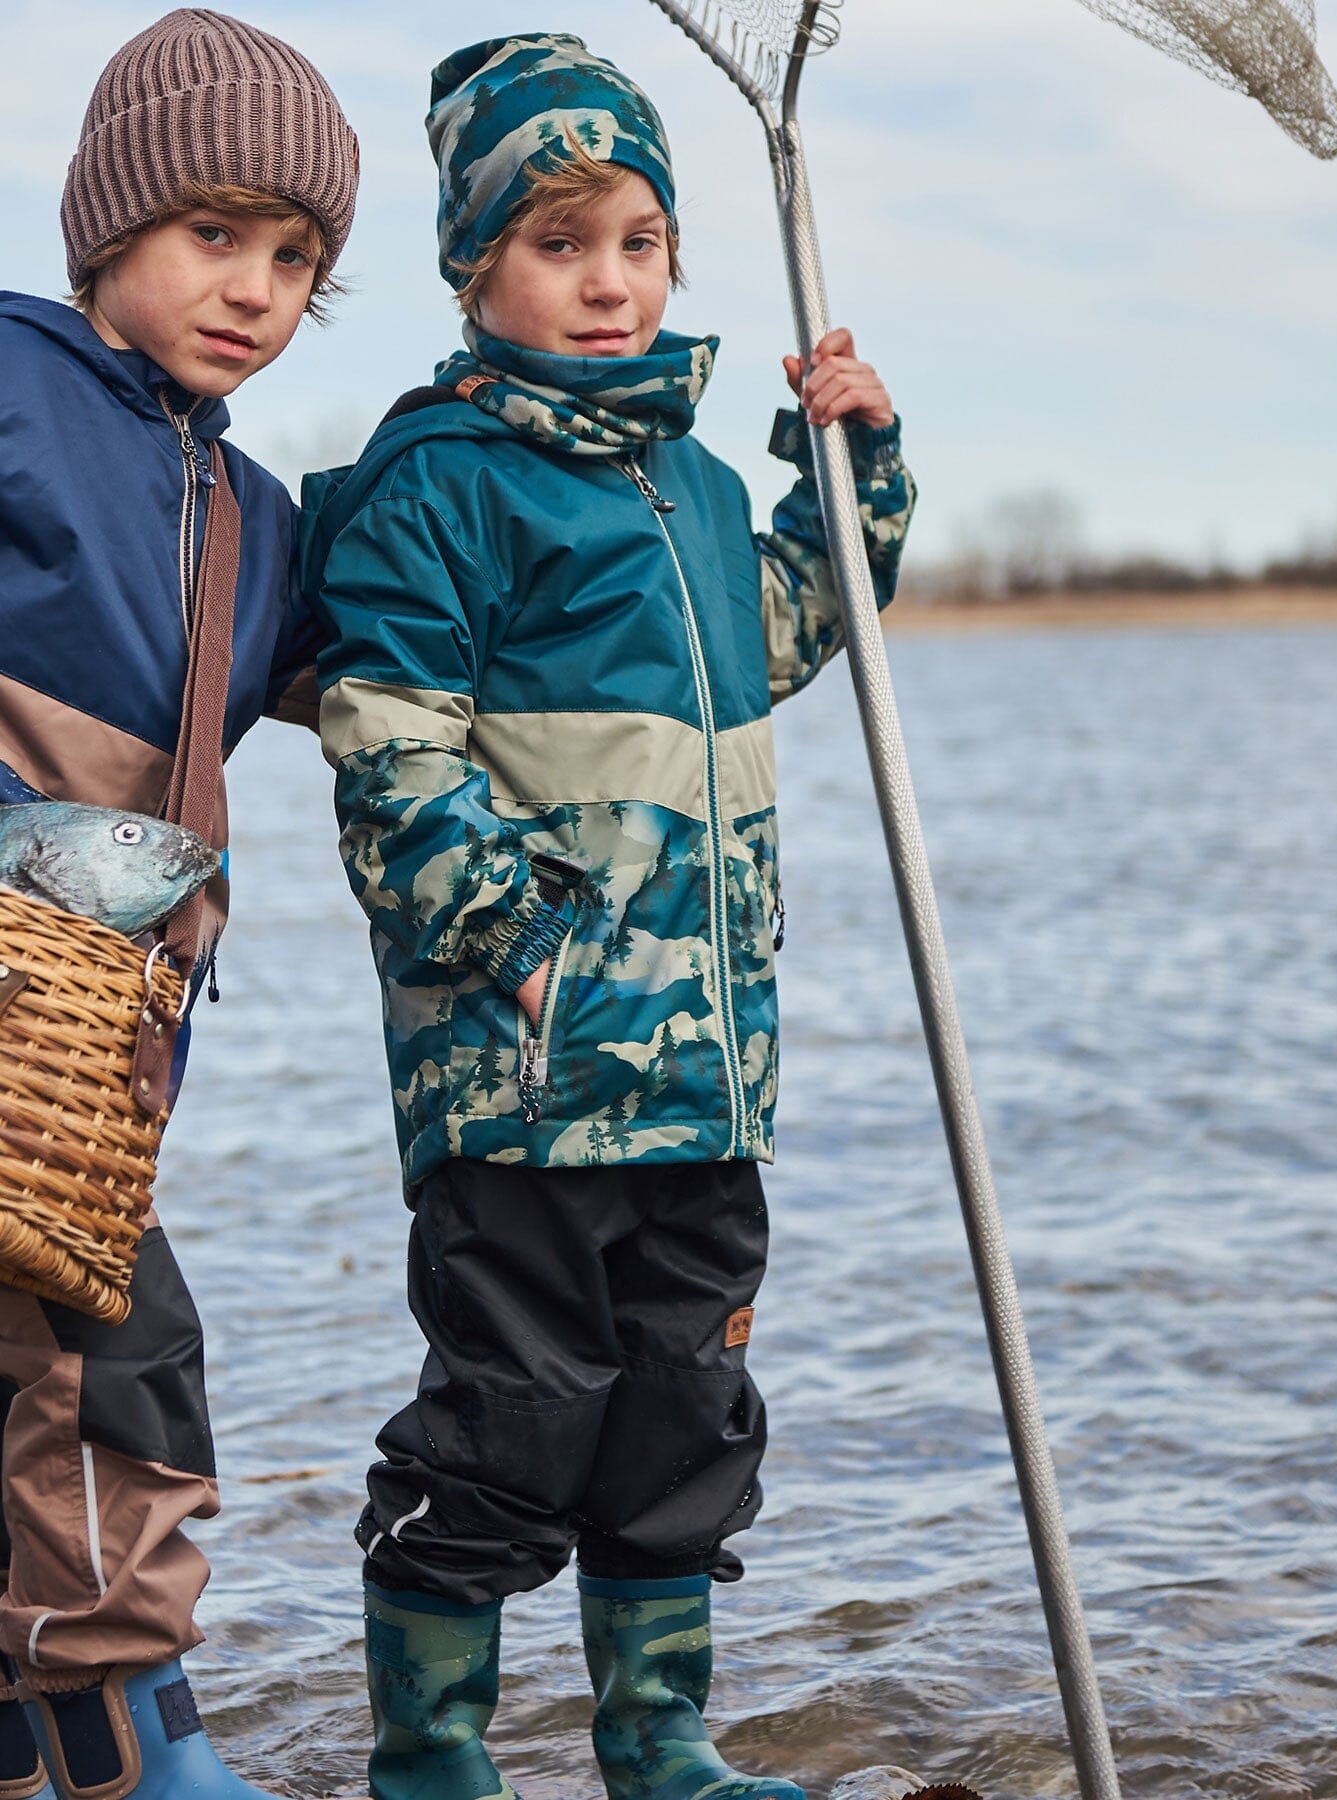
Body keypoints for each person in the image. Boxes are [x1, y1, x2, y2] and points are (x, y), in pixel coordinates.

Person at [304, 32, 913, 1800]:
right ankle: (432, 1758)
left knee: (681, 1411)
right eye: (559, 243)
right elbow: (388, 741)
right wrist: (521, 940)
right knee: (512, 1415)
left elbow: (808, 635)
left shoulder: (703, 490)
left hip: (708, 1071)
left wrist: (851, 472)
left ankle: (662, 1744)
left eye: (637, 241)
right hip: (527, 1067)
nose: (606, 281)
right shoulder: (445, 478)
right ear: (477, 266)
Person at [0, 11, 357, 1800]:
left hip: (104, 1055)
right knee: (108, 1351)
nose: (257, 290)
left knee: (30, 1357)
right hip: (4, 993)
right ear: (110, 228)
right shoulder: (7, 382)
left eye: (297, 261)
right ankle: (127, 1739)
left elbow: (407, 653)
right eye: (215, 235)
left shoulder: (259, 513)